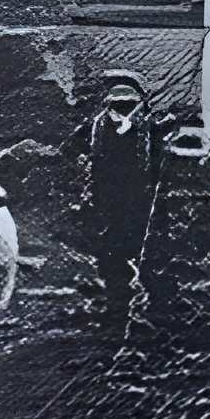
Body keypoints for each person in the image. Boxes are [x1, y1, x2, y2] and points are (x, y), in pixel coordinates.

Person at [64, 73, 162, 330]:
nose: (123, 110)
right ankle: (116, 308)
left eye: (129, 104)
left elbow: (159, 165)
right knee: (111, 257)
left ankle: (143, 307)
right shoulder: (95, 128)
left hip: (140, 203)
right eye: (118, 104)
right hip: (107, 203)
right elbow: (71, 150)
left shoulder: (150, 129)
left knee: (142, 253)